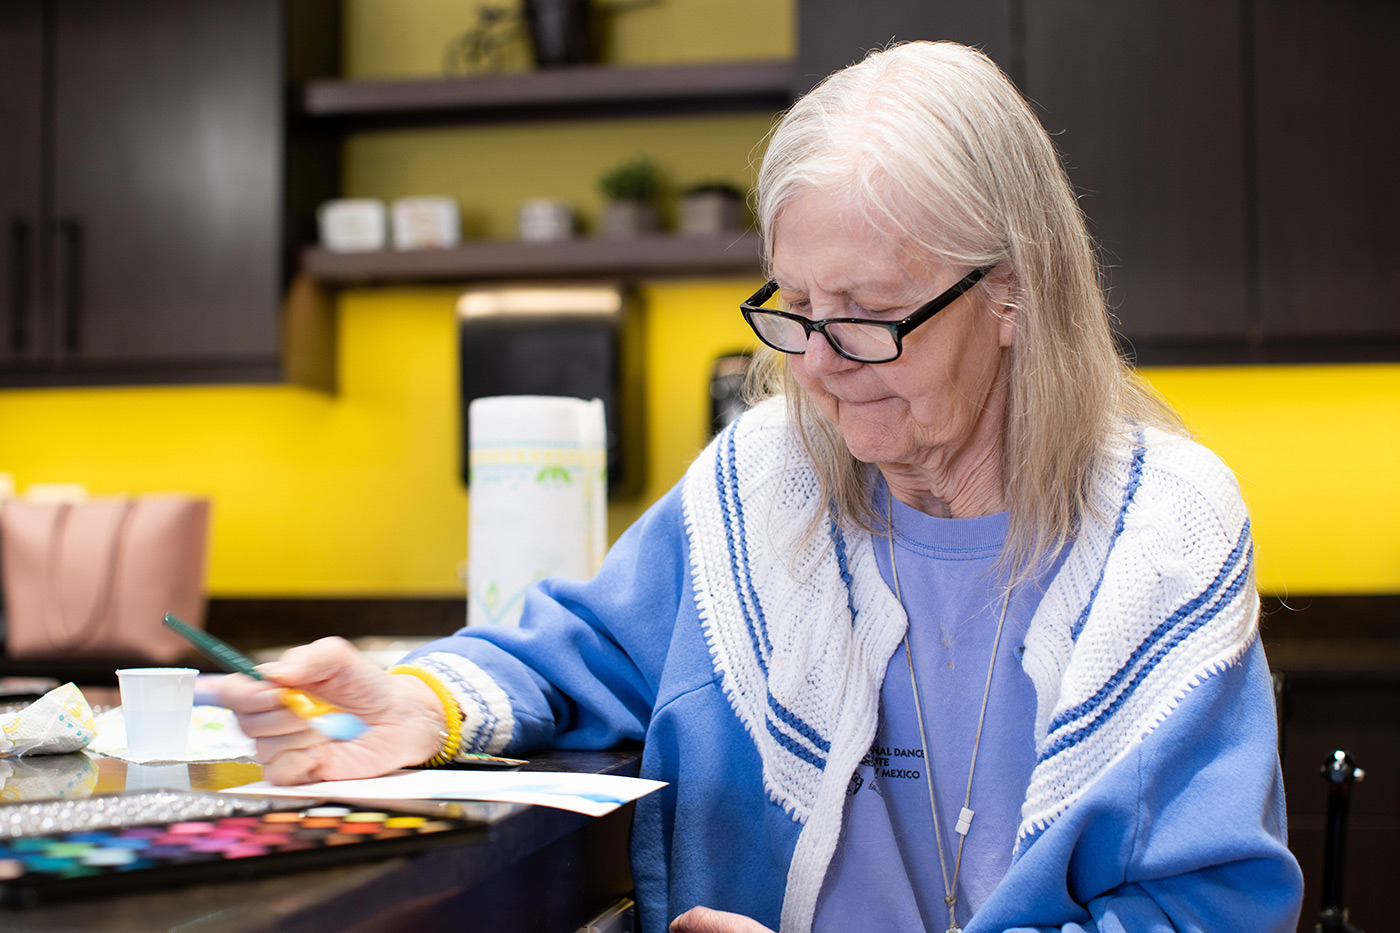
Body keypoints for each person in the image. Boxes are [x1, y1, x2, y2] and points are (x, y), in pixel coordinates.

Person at [220, 41, 1303, 933]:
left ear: (1013, 289)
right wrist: (416, 700)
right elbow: (578, 650)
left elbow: (1206, 909)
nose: (818, 363)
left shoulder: (1161, 536)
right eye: (793, 310)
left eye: (870, 313)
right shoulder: (756, 487)